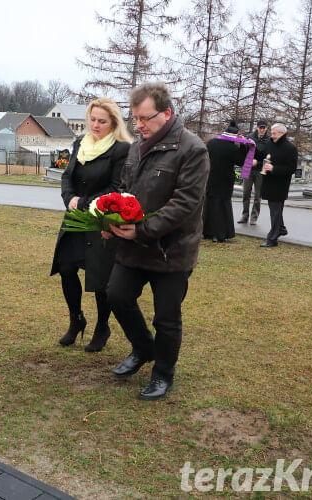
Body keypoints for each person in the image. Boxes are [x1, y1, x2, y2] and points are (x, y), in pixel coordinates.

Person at [101, 82, 209, 401]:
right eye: (135, 119)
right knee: (117, 296)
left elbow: (184, 204)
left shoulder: (193, 149)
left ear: (167, 114)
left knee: (166, 316)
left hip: (171, 252)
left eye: (145, 118)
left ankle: (163, 374)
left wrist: (143, 230)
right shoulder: (137, 146)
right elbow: (124, 189)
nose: (139, 125)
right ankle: (143, 348)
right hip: (134, 245)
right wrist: (112, 220)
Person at [50, 98, 132, 351]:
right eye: (92, 119)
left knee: (99, 275)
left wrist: (83, 202)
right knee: (66, 266)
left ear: (113, 123)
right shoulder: (80, 143)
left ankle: (102, 327)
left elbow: (116, 187)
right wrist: (69, 198)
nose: (95, 125)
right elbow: (67, 176)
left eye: (102, 121)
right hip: (74, 217)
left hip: (101, 219)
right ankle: (76, 320)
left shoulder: (120, 149)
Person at [203, 121, 249, 242]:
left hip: (211, 177)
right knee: (222, 206)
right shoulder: (232, 148)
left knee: (210, 204)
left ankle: (207, 231)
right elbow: (241, 161)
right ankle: (220, 233)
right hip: (225, 180)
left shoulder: (211, 143)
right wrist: (243, 145)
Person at [259, 123, 297, 247]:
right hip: (269, 182)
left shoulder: (290, 148)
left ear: (282, 134)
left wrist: (274, 168)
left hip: (280, 184)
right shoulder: (269, 143)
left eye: (274, 133)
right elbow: (262, 155)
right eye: (272, 132)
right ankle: (280, 229)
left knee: (275, 211)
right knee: (275, 210)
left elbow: (291, 168)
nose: (272, 135)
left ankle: (272, 239)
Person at [238, 120, 269, 225]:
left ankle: (254, 217)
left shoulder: (268, 140)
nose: (262, 129)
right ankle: (244, 216)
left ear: (266, 128)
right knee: (246, 193)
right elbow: (244, 151)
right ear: (257, 128)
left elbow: (268, 157)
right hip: (248, 168)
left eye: (264, 127)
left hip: (260, 170)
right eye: (260, 127)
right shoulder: (250, 136)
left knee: (257, 196)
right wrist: (242, 143)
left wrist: (258, 162)